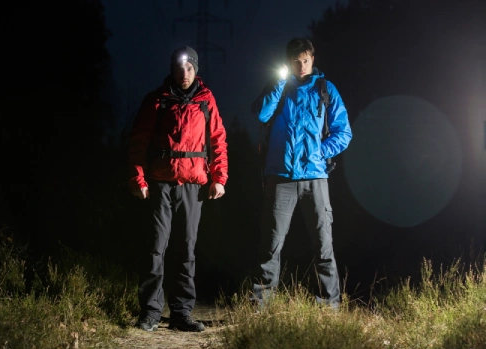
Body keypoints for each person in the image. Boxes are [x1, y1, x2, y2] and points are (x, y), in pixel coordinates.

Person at [127, 46, 228, 332]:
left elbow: (218, 140)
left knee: (186, 250)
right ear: (172, 69)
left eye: (189, 68)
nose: (184, 74)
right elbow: (138, 142)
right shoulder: (156, 100)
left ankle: (181, 314)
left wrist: (219, 178)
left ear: (196, 69)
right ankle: (150, 312)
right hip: (160, 184)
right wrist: (138, 180)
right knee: (155, 248)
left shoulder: (206, 100)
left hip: (193, 187)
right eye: (179, 68)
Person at [250, 37, 352, 309]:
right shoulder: (280, 87)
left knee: (323, 245)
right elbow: (261, 115)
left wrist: (321, 151)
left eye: (306, 59)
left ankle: (329, 306)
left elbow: (344, 133)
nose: (301, 65)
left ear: (312, 59)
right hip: (280, 177)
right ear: (288, 62)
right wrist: (278, 83)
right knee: (270, 243)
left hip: (315, 177)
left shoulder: (325, 89)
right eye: (296, 61)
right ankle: (260, 307)